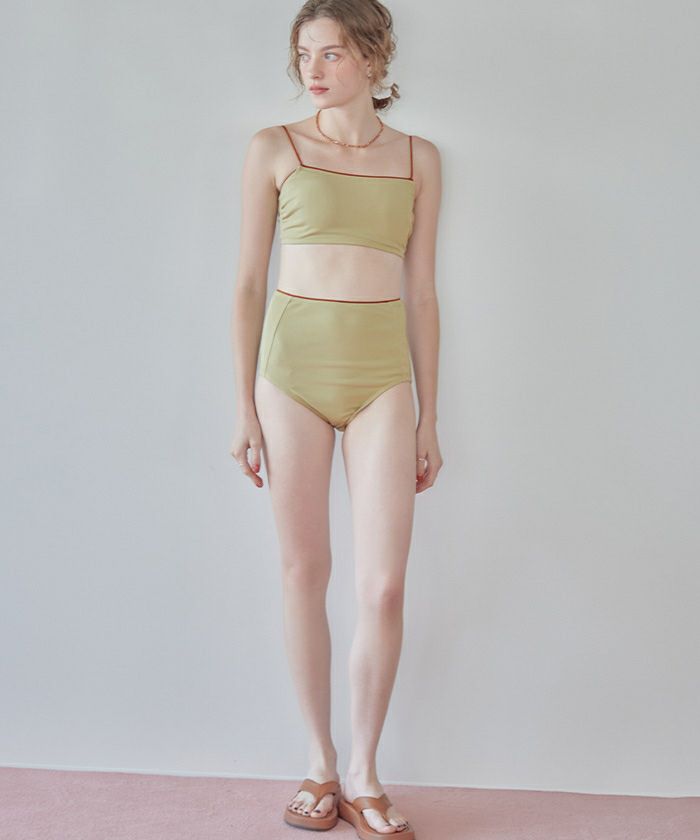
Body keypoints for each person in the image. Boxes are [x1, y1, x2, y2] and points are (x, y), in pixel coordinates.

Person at [230, 1, 442, 836]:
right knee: (303, 571)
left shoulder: (419, 159)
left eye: (332, 54)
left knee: (383, 586)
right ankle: (319, 763)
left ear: (374, 61)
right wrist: (243, 406)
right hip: (290, 378)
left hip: (383, 380)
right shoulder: (274, 149)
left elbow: (422, 292)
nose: (313, 70)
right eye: (304, 54)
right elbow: (249, 283)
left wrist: (430, 416)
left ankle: (364, 772)